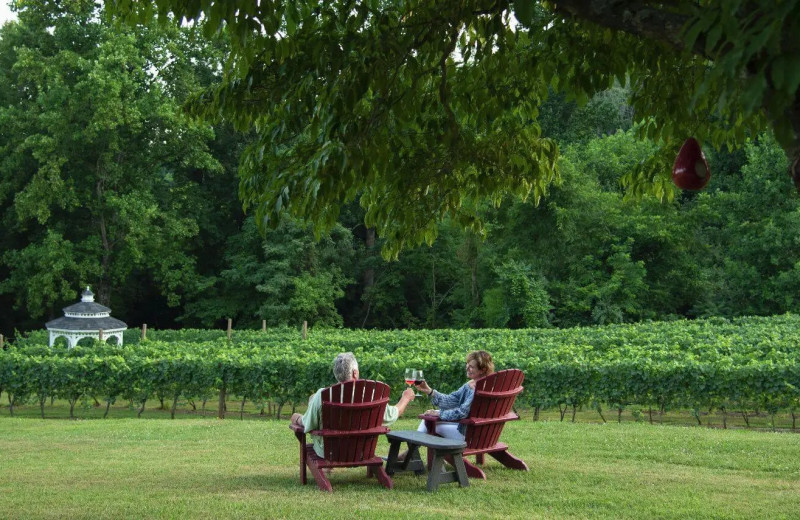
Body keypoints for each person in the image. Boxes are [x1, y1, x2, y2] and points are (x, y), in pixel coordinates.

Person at [290, 352, 415, 458]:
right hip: (362, 452)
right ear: (355, 373)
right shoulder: (370, 395)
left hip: (331, 452)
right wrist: (406, 397)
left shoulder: (321, 395)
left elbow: (308, 424)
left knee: (303, 413)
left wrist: (297, 418)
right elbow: (392, 415)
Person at [413, 350, 494, 440]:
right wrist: (429, 391)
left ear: (483, 370)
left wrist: (439, 414)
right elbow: (451, 400)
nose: (467, 368)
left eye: (471, 367)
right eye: (467, 364)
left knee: (428, 423)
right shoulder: (474, 384)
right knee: (428, 418)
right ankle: (412, 451)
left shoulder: (479, 388)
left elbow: (462, 413)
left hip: (470, 433)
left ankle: (411, 451)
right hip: (478, 431)